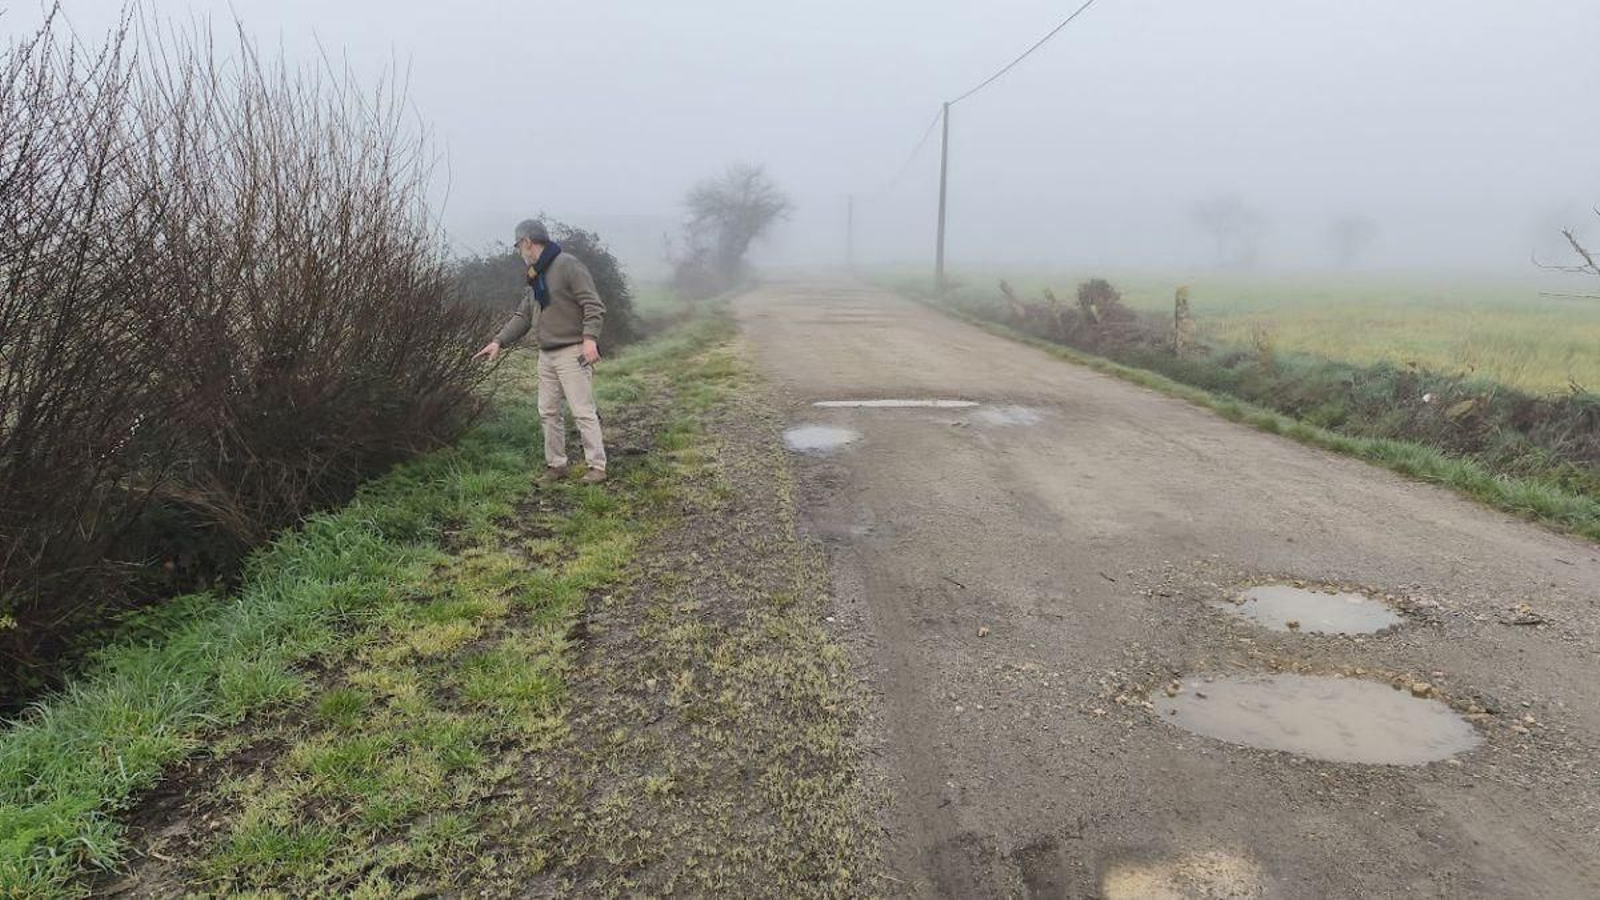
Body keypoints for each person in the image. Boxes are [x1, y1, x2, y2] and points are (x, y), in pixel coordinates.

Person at [474, 219, 608, 484]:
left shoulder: (567, 264)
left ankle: (597, 467)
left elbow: (593, 304)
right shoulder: (535, 275)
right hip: (545, 354)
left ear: (526, 241)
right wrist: (498, 341)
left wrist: (590, 339)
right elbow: (523, 315)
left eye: (518, 245)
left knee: (582, 410)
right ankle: (557, 466)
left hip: (573, 351)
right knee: (548, 411)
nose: (518, 252)